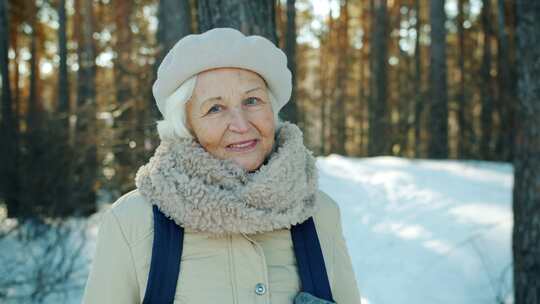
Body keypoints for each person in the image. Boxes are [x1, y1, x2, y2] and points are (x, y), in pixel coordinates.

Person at [83, 27, 361, 304]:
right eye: (215, 108)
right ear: (186, 126)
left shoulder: (319, 213)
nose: (241, 125)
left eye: (252, 101)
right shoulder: (132, 222)